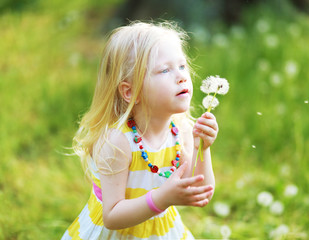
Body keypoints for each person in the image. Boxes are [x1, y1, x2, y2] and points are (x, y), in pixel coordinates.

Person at [61, 21, 218, 240]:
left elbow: (201, 192)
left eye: (182, 66)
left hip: (160, 231)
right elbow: (112, 216)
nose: (182, 76)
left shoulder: (181, 131)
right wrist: (161, 199)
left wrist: (205, 148)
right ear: (130, 91)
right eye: (165, 70)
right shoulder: (117, 143)